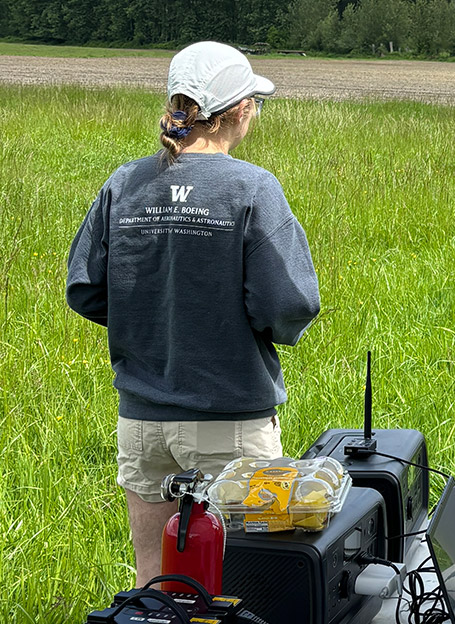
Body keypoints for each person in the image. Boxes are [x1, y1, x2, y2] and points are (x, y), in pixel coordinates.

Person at [66, 41, 321, 588]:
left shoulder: (124, 184)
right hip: (231, 418)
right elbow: (291, 304)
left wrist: (150, 318)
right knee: (245, 585)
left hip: (143, 422)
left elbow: (85, 288)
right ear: (241, 110)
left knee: (156, 581)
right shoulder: (251, 188)